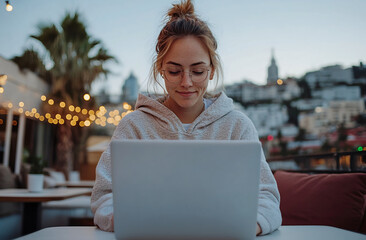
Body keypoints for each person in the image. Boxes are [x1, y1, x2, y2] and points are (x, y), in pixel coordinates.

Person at [91, 0, 281, 236]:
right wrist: (127, 221)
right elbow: (103, 195)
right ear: (160, 68)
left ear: (211, 70)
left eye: (198, 71)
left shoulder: (237, 127)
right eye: (174, 71)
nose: (186, 82)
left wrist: (249, 226)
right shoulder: (133, 126)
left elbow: (267, 197)